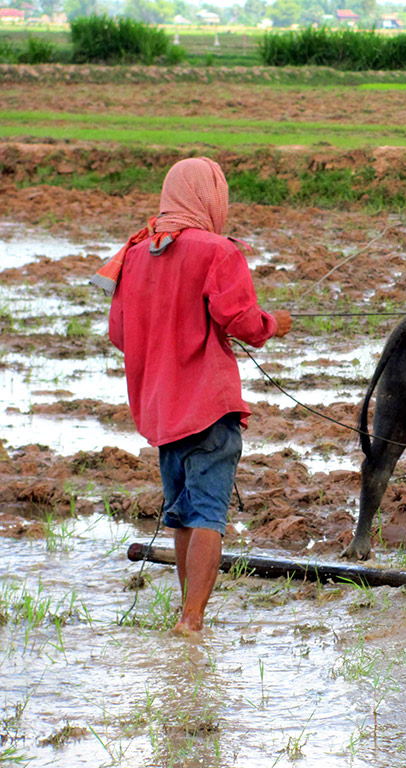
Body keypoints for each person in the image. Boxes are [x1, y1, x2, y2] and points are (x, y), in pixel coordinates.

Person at [94, 157, 292, 637]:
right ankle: (192, 620)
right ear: (210, 197)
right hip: (207, 404)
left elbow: (119, 332)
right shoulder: (217, 251)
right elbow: (243, 322)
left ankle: (186, 615)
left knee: (182, 513)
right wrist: (274, 324)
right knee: (207, 514)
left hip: (161, 408)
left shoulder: (135, 253)